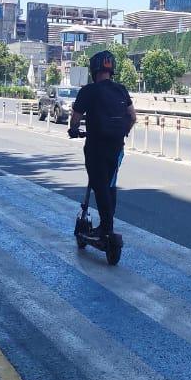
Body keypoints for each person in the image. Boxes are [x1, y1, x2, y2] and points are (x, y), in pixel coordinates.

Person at [68, 50, 136, 241]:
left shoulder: (89, 91)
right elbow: (132, 117)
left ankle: (106, 228)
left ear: (94, 70)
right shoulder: (121, 90)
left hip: (96, 146)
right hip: (117, 147)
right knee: (110, 184)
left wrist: (74, 130)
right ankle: (108, 224)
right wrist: (123, 132)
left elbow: (75, 118)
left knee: (99, 185)